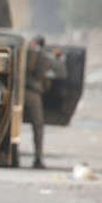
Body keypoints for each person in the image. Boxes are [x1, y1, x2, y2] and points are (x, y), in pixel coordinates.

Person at [24, 35, 67, 169]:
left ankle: (4, 153)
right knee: (38, 126)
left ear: (33, 42)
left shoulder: (23, 52)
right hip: (33, 94)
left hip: (17, 92)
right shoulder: (44, 56)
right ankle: (38, 158)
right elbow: (61, 72)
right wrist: (57, 57)